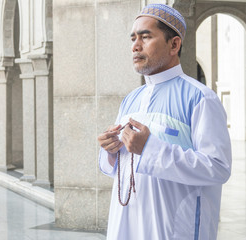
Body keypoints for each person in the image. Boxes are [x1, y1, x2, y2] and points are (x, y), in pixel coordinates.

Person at [97, 3, 232, 240]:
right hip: (127, 226)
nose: (135, 46)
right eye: (132, 39)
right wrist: (111, 150)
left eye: (145, 37)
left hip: (173, 229)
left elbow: (218, 168)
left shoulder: (200, 98)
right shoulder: (131, 100)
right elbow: (122, 168)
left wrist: (150, 148)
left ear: (174, 44)